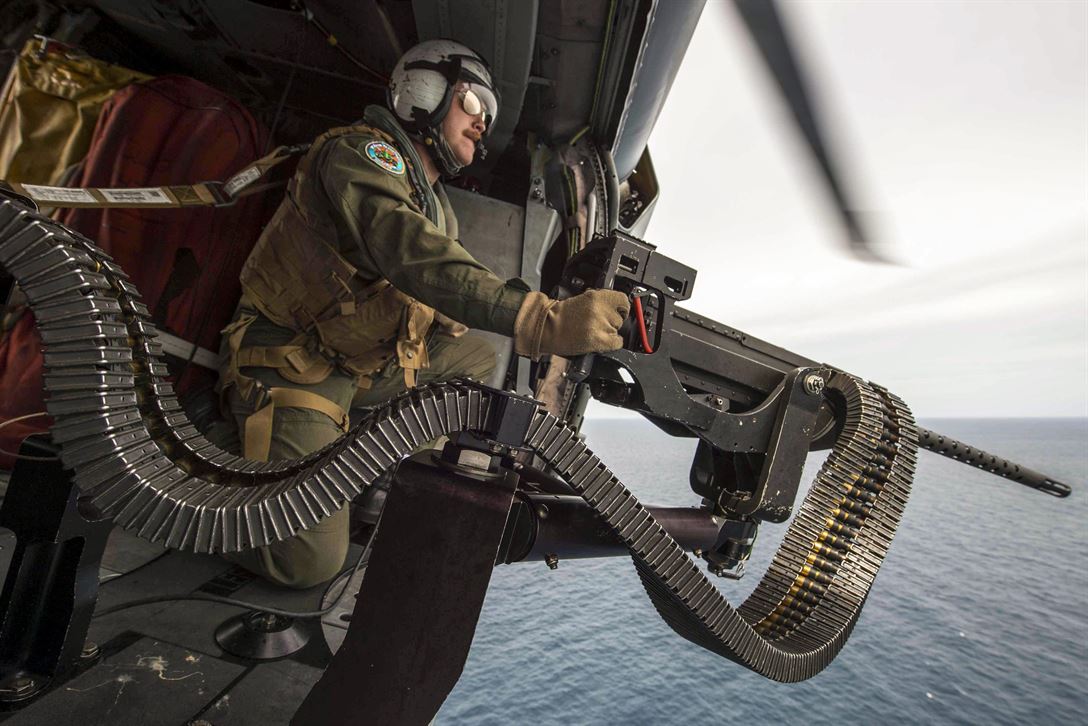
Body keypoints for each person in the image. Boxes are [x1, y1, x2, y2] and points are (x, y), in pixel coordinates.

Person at [216, 39, 630, 588]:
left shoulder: (435, 204)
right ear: (424, 91)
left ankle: (369, 471)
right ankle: (211, 469)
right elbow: (413, 254)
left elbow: (429, 284)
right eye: (474, 103)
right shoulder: (362, 154)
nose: (482, 124)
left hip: (355, 365)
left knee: (473, 359)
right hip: (291, 360)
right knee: (308, 565)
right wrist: (540, 318)